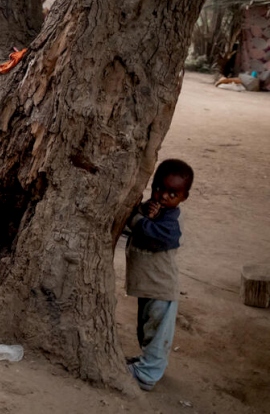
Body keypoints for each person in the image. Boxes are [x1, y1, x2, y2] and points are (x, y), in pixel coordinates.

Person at [125, 158, 194, 391]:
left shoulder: (171, 221)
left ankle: (147, 373)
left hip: (162, 288)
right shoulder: (154, 210)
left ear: (184, 197)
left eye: (172, 193)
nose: (163, 196)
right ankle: (146, 363)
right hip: (149, 285)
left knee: (157, 332)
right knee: (147, 328)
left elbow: (156, 236)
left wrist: (139, 220)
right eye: (158, 188)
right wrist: (144, 214)